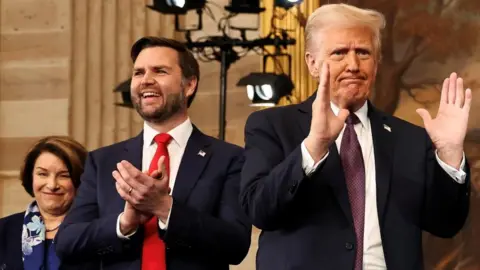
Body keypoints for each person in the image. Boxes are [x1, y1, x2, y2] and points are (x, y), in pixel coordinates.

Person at [240, 3, 471, 270]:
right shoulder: (272, 124)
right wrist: (313, 147)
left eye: (363, 52)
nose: (353, 64)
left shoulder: (409, 138)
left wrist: (451, 156)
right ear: (312, 63)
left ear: (377, 62)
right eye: (339, 53)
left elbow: (445, 224)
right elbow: (259, 211)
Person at [55, 36, 251, 270]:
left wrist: (164, 208)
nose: (146, 80)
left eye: (159, 71)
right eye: (138, 73)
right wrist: (124, 224)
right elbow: (67, 242)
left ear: (189, 85)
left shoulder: (228, 158)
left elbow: (236, 245)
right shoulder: (103, 161)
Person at [0, 136, 91, 270]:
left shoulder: (96, 230)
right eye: (42, 174)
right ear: (30, 177)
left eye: (64, 175)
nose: (52, 185)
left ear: (80, 180)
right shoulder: (3, 230)